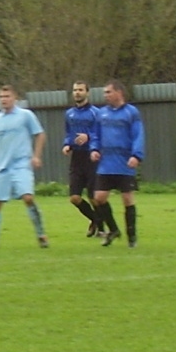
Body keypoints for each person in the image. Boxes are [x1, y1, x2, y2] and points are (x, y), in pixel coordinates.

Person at [0, 85, 48, 249]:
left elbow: (40, 134)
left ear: (15, 98)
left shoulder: (25, 115)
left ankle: (41, 234)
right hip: (2, 168)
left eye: (7, 96)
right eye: (1, 97)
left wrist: (36, 156)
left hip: (22, 165)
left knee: (28, 198)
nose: (4, 99)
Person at [89, 79, 145, 248]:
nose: (105, 95)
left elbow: (138, 134)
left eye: (108, 92)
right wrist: (94, 149)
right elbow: (95, 134)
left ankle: (132, 236)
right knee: (99, 197)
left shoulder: (131, 112)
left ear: (119, 93)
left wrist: (137, 155)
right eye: (104, 92)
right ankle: (113, 230)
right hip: (106, 162)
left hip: (124, 162)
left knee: (127, 198)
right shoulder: (101, 114)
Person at [62, 80, 105, 237]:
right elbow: (68, 134)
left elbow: (100, 133)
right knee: (74, 198)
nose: (77, 93)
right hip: (77, 158)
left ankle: (101, 229)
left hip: (92, 157)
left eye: (80, 90)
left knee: (94, 198)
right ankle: (96, 220)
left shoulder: (96, 113)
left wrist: (89, 137)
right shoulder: (69, 114)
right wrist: (67, 145)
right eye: (75, 90)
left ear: (87, 92)